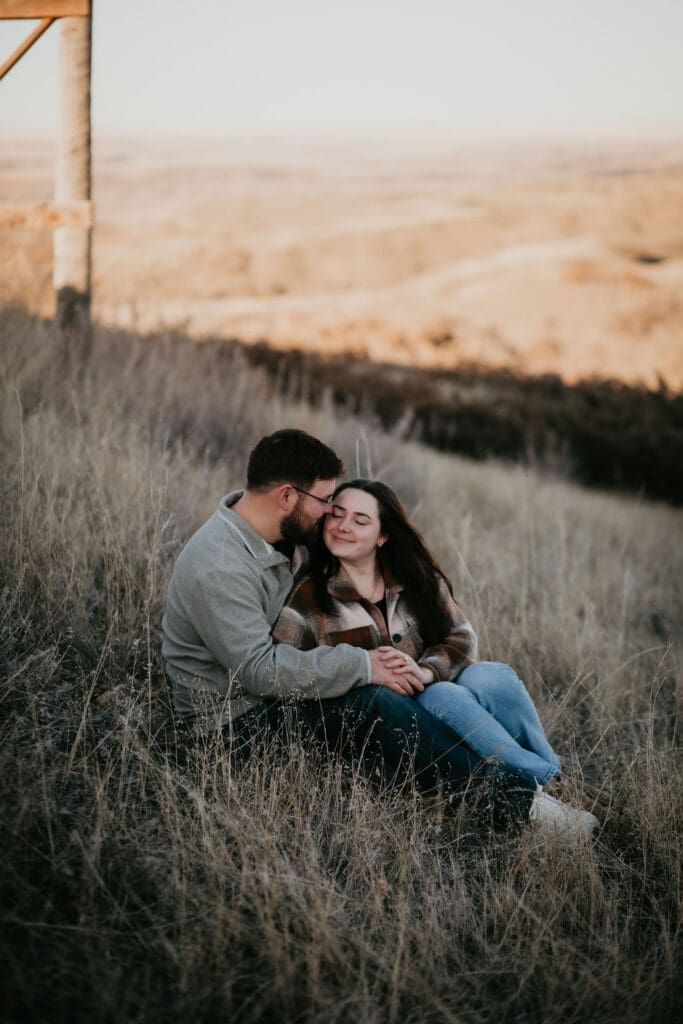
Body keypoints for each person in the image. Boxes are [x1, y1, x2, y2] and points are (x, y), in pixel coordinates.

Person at [161, 429, 539, 829]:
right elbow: (257, 671)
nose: (329, 512)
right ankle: (519, 803)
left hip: (275, 700)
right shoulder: (219, 565)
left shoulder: (284, 536)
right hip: (233, 726)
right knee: (371, 705)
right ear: (286, 497)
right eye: (325, 501)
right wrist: (364, 665)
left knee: (403, 714)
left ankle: (492, 783)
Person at [273, 478, 599, 838]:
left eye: (360, 520)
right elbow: (286, 669)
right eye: (336, 515)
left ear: (383, 536)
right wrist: (360, 671)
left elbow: (461, 637)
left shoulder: (416, 579)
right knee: (446, 695)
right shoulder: (309, 597)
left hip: (441, 695)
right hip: (397, 728)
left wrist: (426, 671)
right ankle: (543, 783)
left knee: (490, 676)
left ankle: (550, 776)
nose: (344, 526)